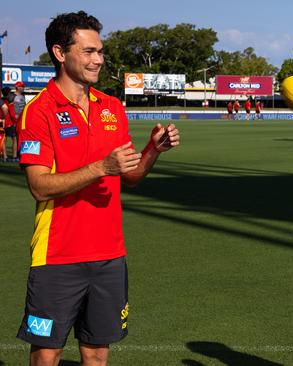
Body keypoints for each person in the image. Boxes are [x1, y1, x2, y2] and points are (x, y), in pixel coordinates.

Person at [16, 11, 180, 366]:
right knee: (47, 353)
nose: (99, 60)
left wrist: (152, 151)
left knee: (97, 354)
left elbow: (130, 177)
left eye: (100, 51)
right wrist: (101, 167)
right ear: (61, 53)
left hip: (109, 256)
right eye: (89, 51)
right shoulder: (38, 111)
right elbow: (39, 187)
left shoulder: (112, 108)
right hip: (57, 256)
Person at [1, 87, 18, 161]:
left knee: (3, 140)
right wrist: (15, 122)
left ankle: (5, 156)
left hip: (2, 123)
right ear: (8, 93)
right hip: (10, 123)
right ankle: (14, 157)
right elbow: (12, 113)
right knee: (14, 139)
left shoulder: (1, 101)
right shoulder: (10, 102)